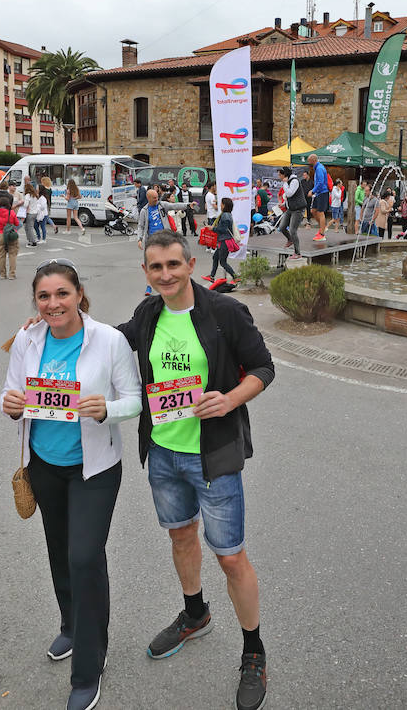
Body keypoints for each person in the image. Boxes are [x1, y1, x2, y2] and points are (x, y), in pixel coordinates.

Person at [118, 231, 275, 710]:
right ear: (146, 272)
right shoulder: (148, 314)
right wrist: (48, 321)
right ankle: (195, 614)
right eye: (155, 267)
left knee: (230, 556)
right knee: (180, 537)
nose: (165, 274)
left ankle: (254, 651)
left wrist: (229, 399)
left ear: (190, 264)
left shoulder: (225, 313)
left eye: (172, 264)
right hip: (162, 453)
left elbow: (263, 368)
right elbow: (105, 341)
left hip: (212, 456)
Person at [0, 260, 142, 710]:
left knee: (84, 557)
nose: (53, 304)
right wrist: (13, 405)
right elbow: (12, 395)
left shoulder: (109, 340)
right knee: (60, 550)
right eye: (44, 296)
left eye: (62, 293)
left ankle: (89, 663)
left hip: (94, 467)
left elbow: (134, 399)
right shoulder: (27, 338)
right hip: (45, 464)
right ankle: (69, 623)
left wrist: (107, 410)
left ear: (79, 293)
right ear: (36, 302)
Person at [206, 197, 239, 285]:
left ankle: (235, 277)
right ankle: (212, 276)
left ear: (224, 205)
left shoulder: (225, 215)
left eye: (221, 203)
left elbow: (223, 229)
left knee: (223, 262)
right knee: (215, 257)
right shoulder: (227, 214)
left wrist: (212, 228)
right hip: (223, 240)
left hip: (225, 241)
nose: (220, 205)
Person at [278, 166, 306, 258]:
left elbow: (290, 193)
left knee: (293, 230)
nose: (278, 176)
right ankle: (290, 240)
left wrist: (285, 183)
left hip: (298, 209)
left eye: (280, 174)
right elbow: (287, 196)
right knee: (281, 227)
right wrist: (283, 204)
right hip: (290, 208)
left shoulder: (294, 181)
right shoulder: (288, 181)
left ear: (284, 175)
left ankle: (298, 253)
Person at [0, 191, 22, 280]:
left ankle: (2, 274)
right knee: (12, 254)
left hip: (1, 234)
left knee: (1, 255)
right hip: (11, 234)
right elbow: (17, 223)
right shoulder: (12, 213)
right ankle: (12, 274)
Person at [307, 154, 329, 241]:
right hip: (319, 193)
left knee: (320, 212)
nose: (308, 162)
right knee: (313, 210)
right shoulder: (318, 167)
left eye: (309, 160)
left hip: (322, 192)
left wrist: (312, 191)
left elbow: (320, 182)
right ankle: (322, 227)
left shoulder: (319, 168)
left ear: (313, 160)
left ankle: (322, 234)